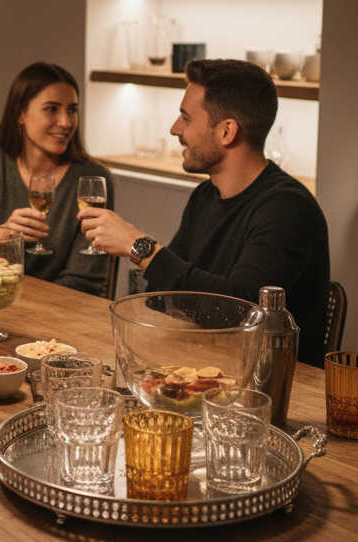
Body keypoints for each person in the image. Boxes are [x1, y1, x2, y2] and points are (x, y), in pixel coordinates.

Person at [79, 58, 331, 367]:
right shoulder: (205, 195)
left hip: (270, 390)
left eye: (186, 117)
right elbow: (162, 297)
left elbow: (241, 310)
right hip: (203, 366)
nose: (175, 129)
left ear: (227, 132)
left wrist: (139, 246)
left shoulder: (288, 208)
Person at [0, 61, 115, 297]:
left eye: (72, 110)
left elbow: (85, 282)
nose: (66, 122)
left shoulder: (92, 180)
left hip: (58, 313)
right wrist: (3, 233)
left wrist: (13, 296)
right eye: (52, 109)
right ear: (20, 113)